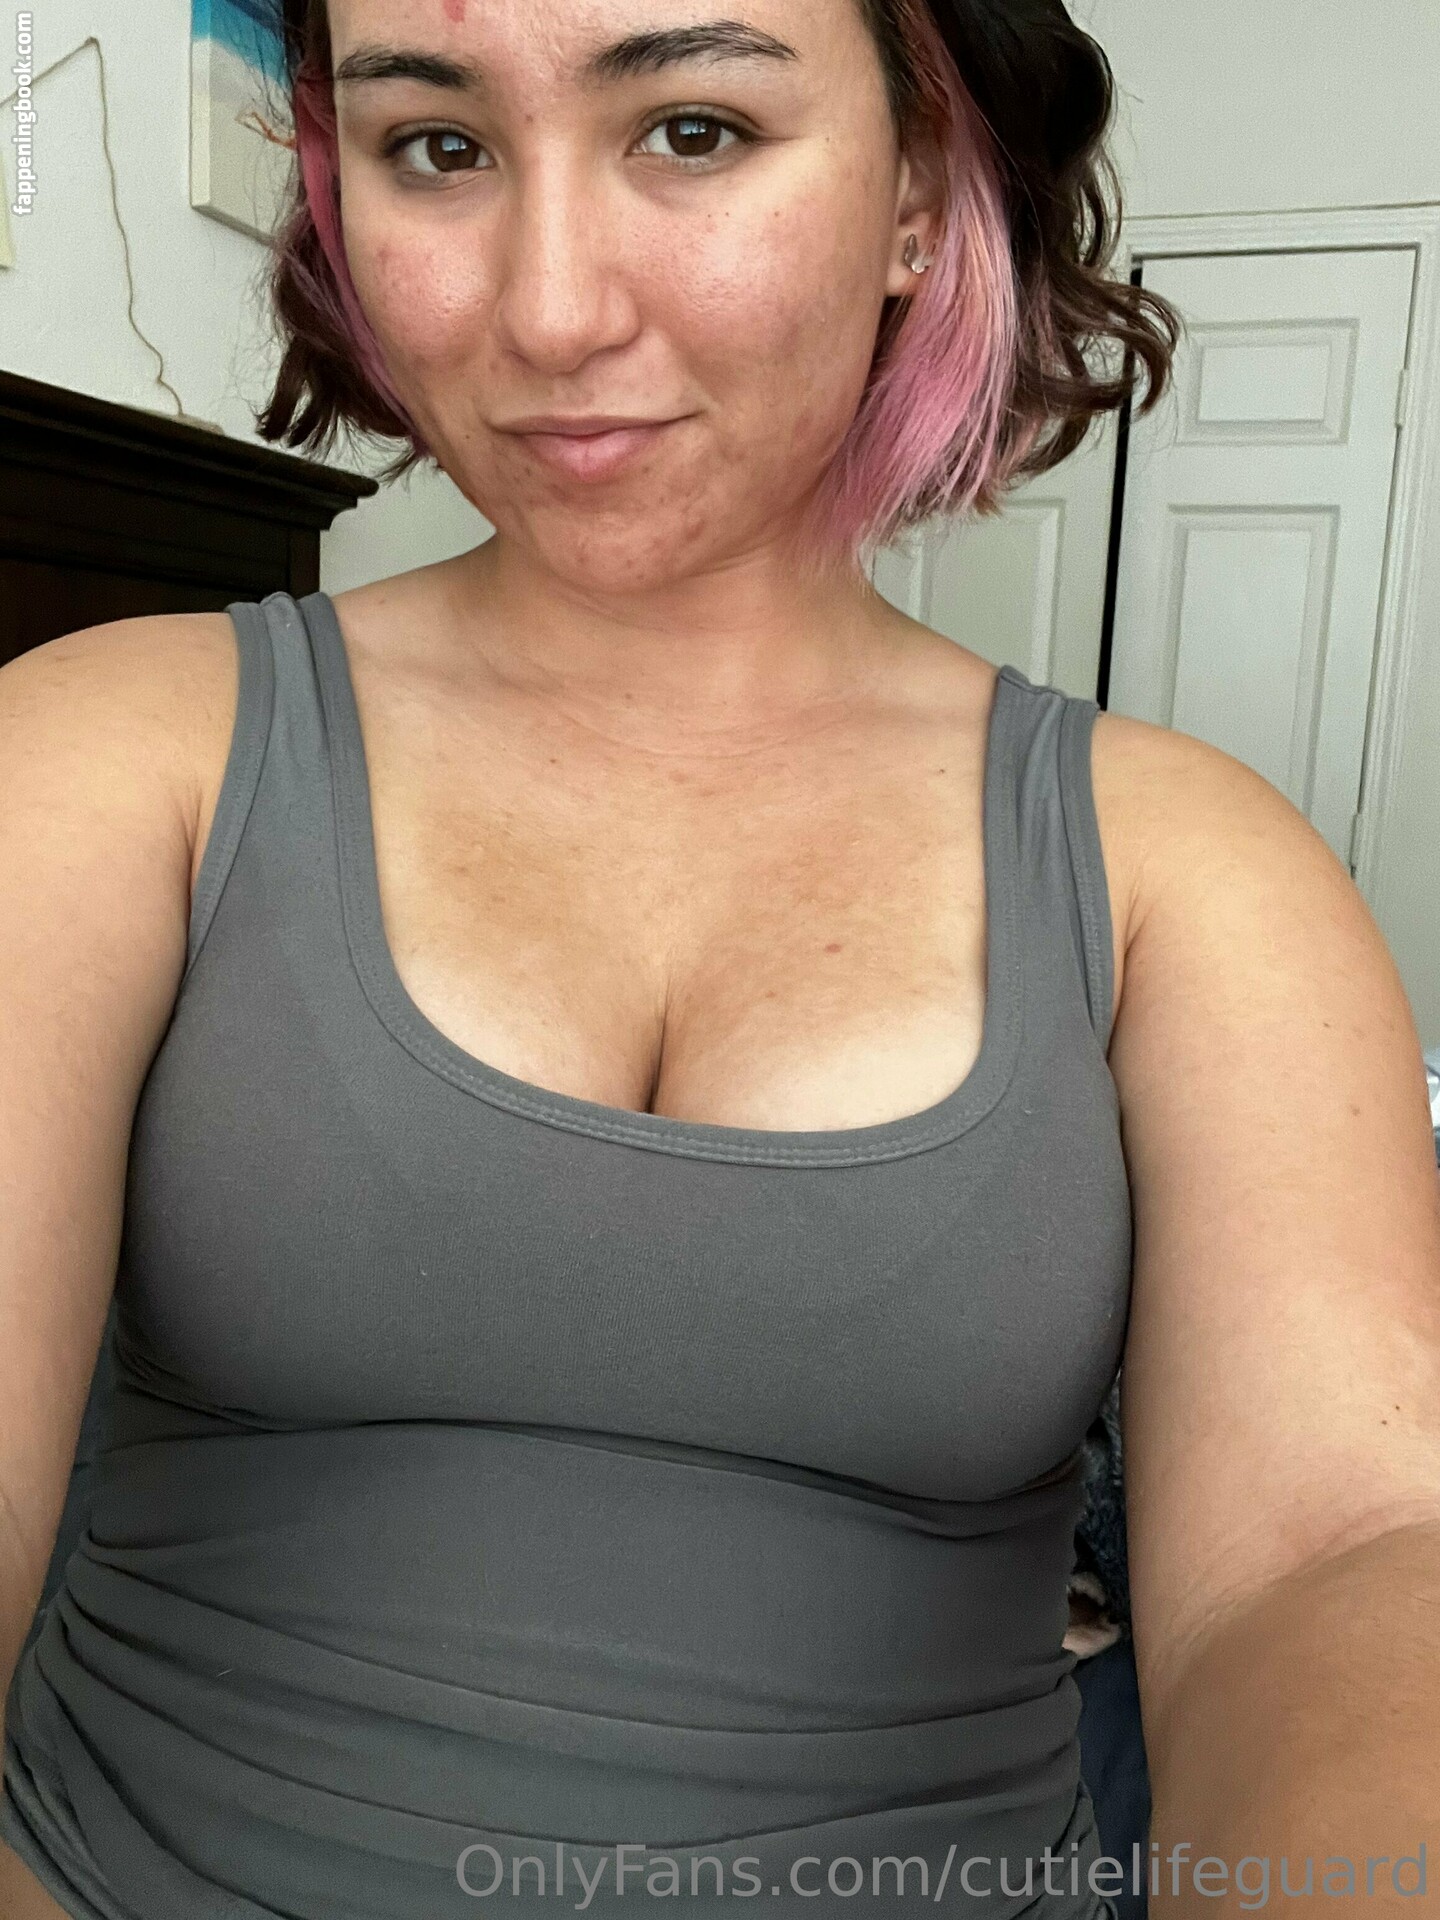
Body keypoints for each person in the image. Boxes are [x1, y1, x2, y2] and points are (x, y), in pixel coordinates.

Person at [4, 0, 1439, 1915]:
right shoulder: (115, 750)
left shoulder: (1194, 867)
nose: (550, 312)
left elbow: (1333, 1557)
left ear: (921, 191)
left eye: (691, 130)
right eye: (439, 147)